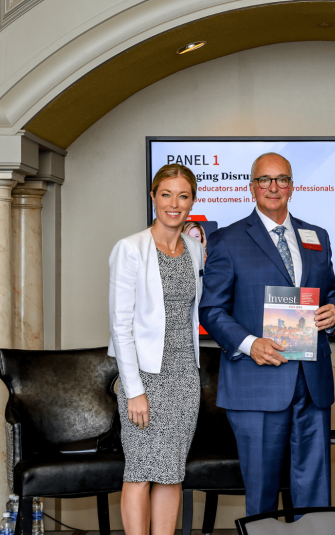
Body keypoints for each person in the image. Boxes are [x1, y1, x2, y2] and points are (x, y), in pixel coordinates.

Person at [199, 152, 335, 517]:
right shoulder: (227, 240)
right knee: (261, 492)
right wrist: (251, 344)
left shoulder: (317, 236)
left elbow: (330, 293)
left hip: (311, 380)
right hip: (256, 380)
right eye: (265, 180)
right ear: (252, 187)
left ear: (292, 186)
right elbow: (211, 310)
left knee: (314, 489)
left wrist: (334, 311)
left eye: (281, 179)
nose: (273, 187)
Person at [108, 164, 205, 535]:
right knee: (139, 471)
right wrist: (134, 391)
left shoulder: (195, 249)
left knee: (171, 473)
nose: (174, 204)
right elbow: (121, 325)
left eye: (183, 195)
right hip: (145, 378)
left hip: (184, 377)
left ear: (192, 200)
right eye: (166, 194)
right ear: (153, 197)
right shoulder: (130, 249)